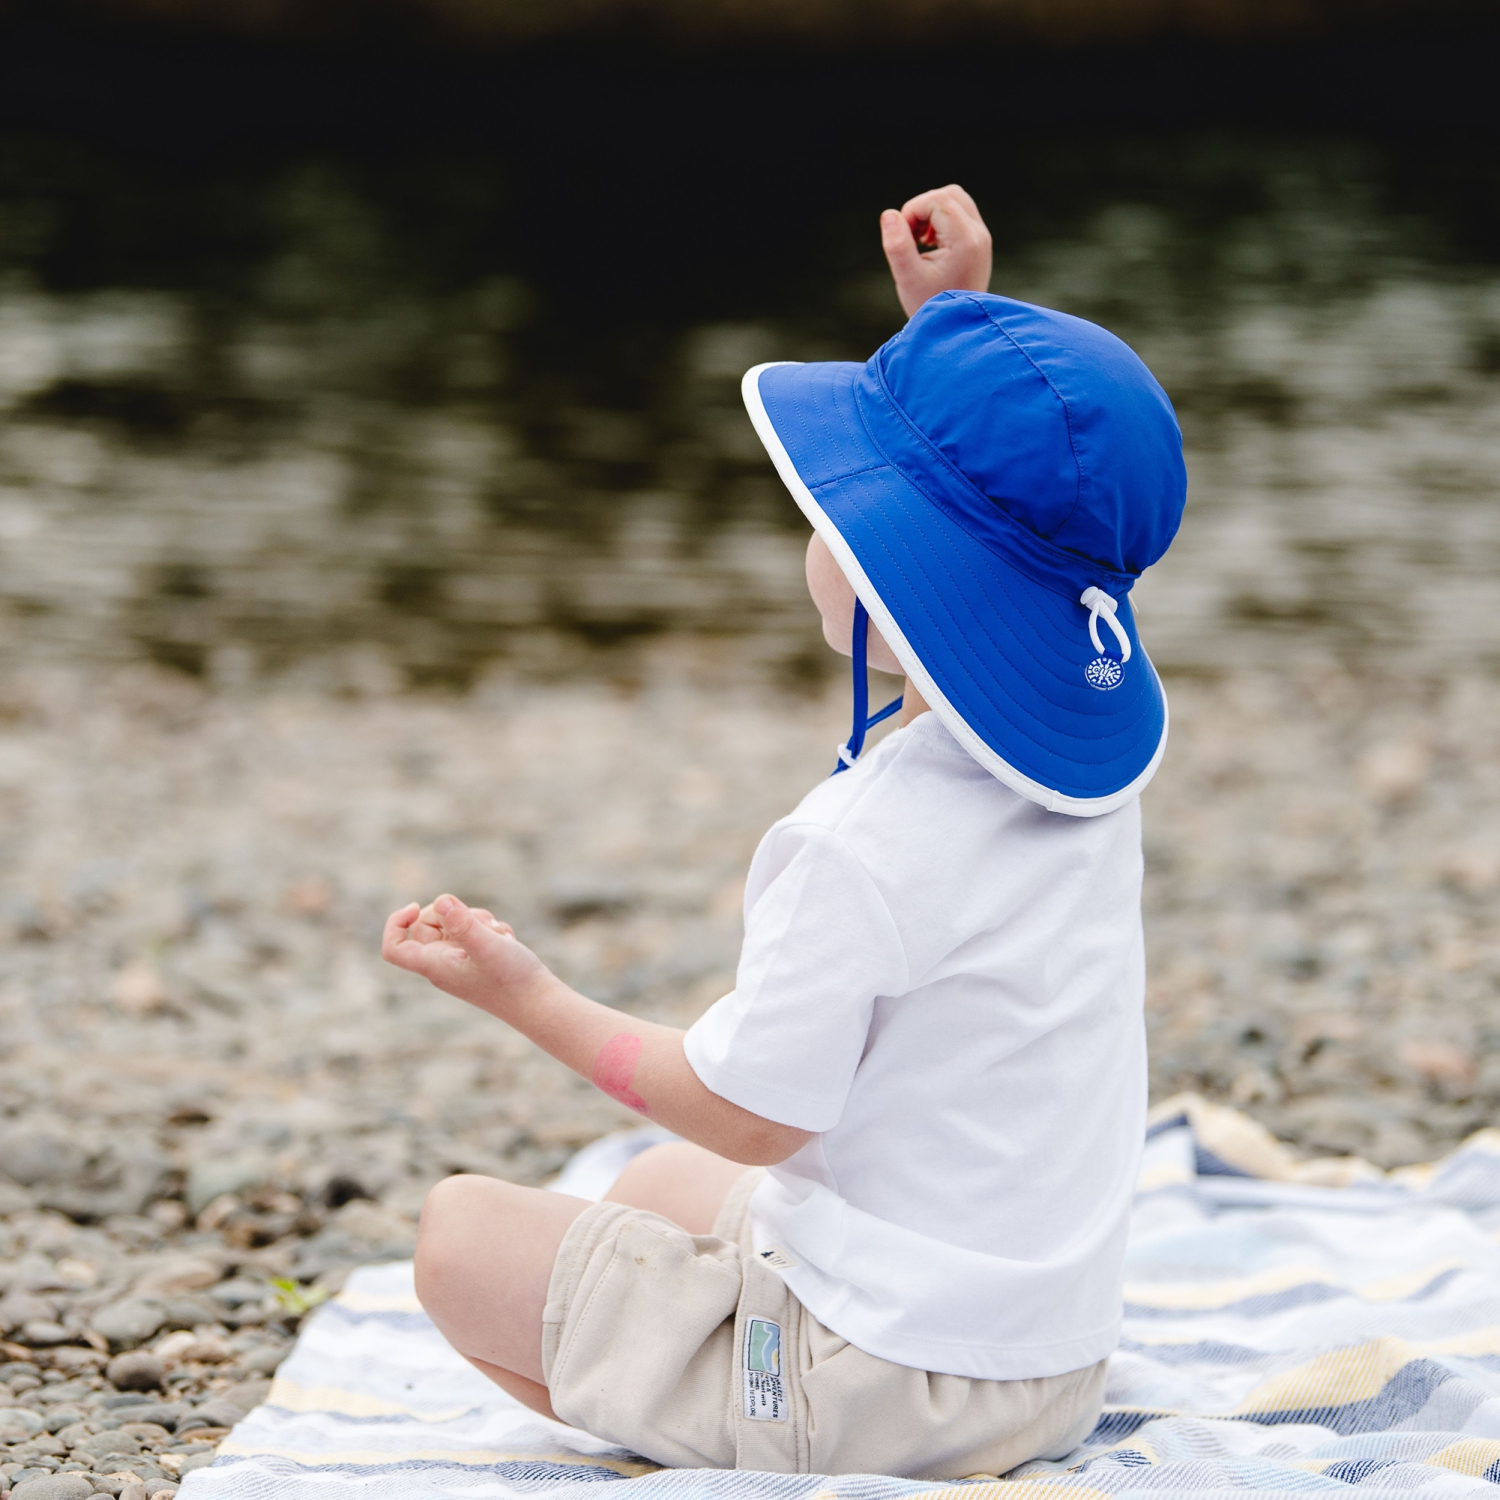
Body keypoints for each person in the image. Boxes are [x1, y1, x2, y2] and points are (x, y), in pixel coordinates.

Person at [380, 184, 1188, 1479]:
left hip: (872, 1388)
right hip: (1047, 1360)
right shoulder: (1092, 779)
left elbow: (749, 1117)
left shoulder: (855, 845)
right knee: (645, 1195)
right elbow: (1044, 492)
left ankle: (745, 1432)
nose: (820, 532)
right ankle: (717, 1367)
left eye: (833, 515)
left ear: (882, 574)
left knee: (457, 1239)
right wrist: (951, 322)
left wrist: (522, 992)